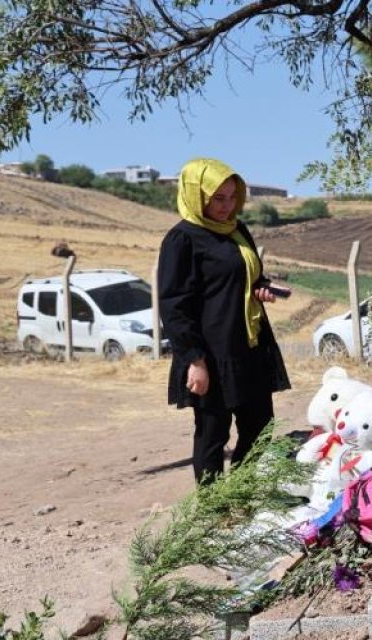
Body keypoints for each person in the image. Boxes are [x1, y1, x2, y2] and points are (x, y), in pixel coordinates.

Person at [158, 158, 291, 485]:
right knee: (213, 433)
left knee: (261, 426)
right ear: (196, 194)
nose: (227, 205)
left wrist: (262, 288)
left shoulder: (237, 230)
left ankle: (242, 495)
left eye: (233, 197)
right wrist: (195, 360)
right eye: (218, 198)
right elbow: (174, 305)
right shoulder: (182, 239)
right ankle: (212, 512)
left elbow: (246, 276)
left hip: (249, 346)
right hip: (211, 354)